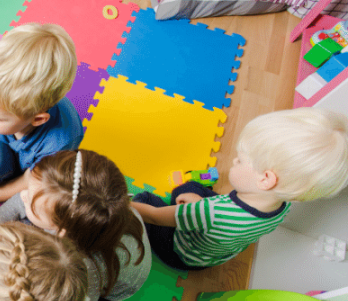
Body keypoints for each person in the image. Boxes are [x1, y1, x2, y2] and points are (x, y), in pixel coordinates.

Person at [0, 149, 152, 301]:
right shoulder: (88, 205)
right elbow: (19, 202)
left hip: (112, 285)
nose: (23, 195)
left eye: (32, 203)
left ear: (61, 231)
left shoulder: (83, 270)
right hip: (101, 243)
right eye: (29, 186)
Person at [131, 108, 348, 270]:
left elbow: (156, 216)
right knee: (193, 189)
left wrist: (119, 204)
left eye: (241, 161)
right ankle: (189, 198)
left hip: (180, 253)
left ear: (265, 179)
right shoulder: (282, 205)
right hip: (213, 254)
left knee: (146, 199)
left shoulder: (210, 211)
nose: (234, 161)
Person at [0, 23, 83, 223]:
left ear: (37, 119)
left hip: (34, 173)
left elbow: (30, 179)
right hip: (2, 153)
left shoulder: (62, 140)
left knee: (41, 208)